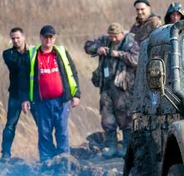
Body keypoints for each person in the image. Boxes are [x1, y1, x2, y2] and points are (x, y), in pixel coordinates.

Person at [19, 25, 80, 163]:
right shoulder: (31, 55)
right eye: (45, 37)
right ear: (40, 37)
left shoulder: (62, 52)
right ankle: (47, 163)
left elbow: (73, 73)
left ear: (54, 38)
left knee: (62, 132)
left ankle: (64, 161)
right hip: (41, 102)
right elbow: (22, 79)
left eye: (51, 37)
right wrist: (24, 99)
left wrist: (76, 94)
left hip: (61, 101)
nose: (48, 40)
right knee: (44, 134)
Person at [84, 23, 139, 158]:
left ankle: (126, 146)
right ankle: (111, 146)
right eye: (111, 36)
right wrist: (98, 49)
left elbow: (136, 60)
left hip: (123, 88)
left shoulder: (130, 42)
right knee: (107, 117)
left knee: (125, 117)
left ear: (122, 34)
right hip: (106, 86)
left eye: (115, 36)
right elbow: (87, 46)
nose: (113, 39)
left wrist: (117, 54)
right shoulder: (104, 40)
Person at [0, 27, 31, 163]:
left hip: (32, 93)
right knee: (10, 124)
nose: (15, 40)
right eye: (13, 38)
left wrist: (31, 53)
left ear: (24, 37)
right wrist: (28, 54)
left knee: (43, 125)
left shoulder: (34, 52)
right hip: (16, 93)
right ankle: (5, 154)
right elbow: (18, 67)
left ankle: (47, 153)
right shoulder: (8, 54)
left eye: (18, 38)